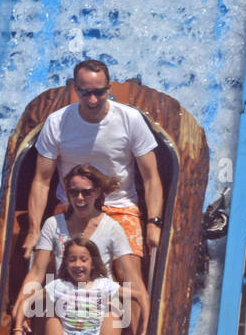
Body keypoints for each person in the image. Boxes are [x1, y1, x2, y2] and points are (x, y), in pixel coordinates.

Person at [21, 60, 164, 262]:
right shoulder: (57, 122)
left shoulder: (130, 119)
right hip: (72, 206)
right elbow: (41, 181)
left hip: (119, 207)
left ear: (109, 88)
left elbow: (151, 178)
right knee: (60, 271)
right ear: (75, 89)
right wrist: (34, 230)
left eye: (99, 92)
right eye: (85, 93)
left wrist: (153, 223)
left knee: (128, 274)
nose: (93, 100)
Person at [12, 163, 150, 335]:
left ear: (98, 192)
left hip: (100, 299)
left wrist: (143, 326)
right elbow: (37, 273)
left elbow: (132, 277)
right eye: (73, 192)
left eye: (86, 192)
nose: (79, 198)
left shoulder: (112, 228)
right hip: (65, 298)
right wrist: (19, 311)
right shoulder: (53, 225)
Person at [12, 237, 126, 335]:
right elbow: (27, 301)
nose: (78, 265)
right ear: (66, 263)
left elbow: (138, 296)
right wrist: (17, 329)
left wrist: (146, 327)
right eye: (72, 260)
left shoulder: (102, 284)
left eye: (83, 260)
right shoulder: (59, 286)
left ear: (93, 263)